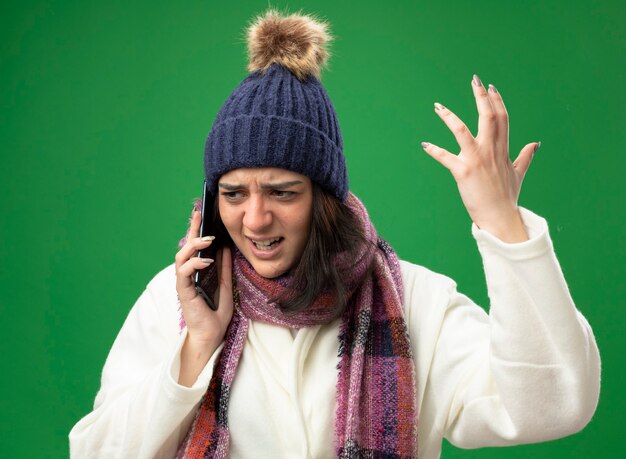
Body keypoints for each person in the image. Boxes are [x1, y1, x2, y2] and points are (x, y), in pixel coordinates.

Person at [69, 9, 601, 459]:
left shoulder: (417, 302)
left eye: (282, 193)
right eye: (233, 194)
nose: (254, 220)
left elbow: (553, 405)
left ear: (325, 200)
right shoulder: (178, 304)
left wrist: (503, 225)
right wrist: (197, 345)